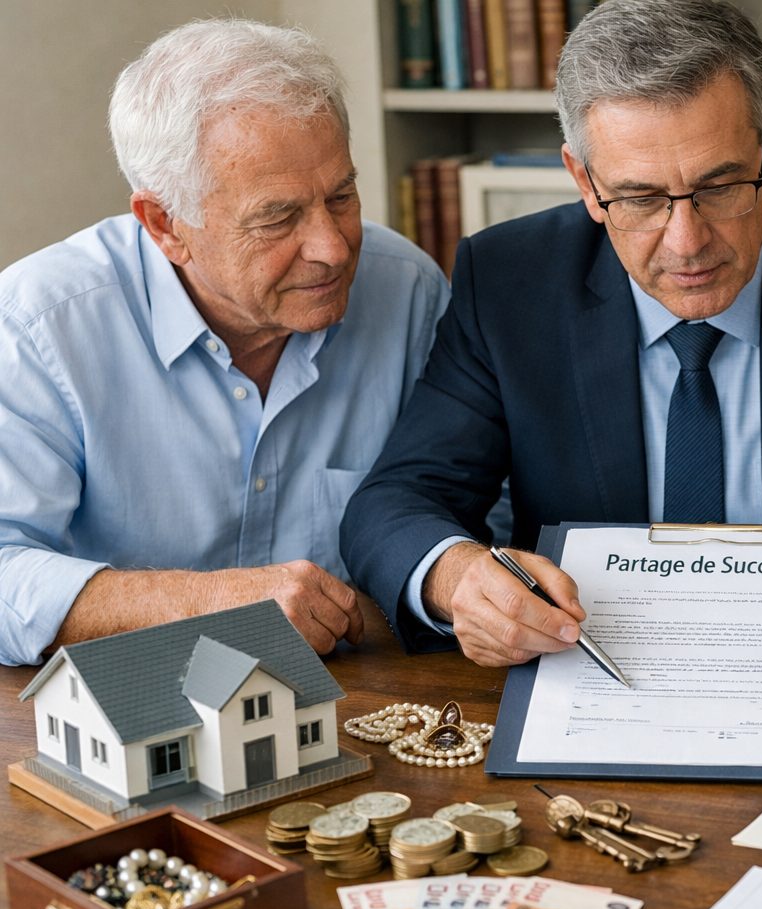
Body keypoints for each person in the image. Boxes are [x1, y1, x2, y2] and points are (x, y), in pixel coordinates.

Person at [341, 0, 762, 703]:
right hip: (594, 683)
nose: (686, 242)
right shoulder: (510, 284)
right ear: (584, 182)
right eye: (638, 198)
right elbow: (396, 501)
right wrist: (457, 580)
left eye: (720, 186)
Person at [0, 19, 449, 666]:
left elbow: (462, 511)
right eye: (278, 217)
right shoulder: (37, 327)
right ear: (165, 224)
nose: (332, 248)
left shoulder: (408, 290)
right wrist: (207, 604)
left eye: (342, 196)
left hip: (365, 697)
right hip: (124, 709)